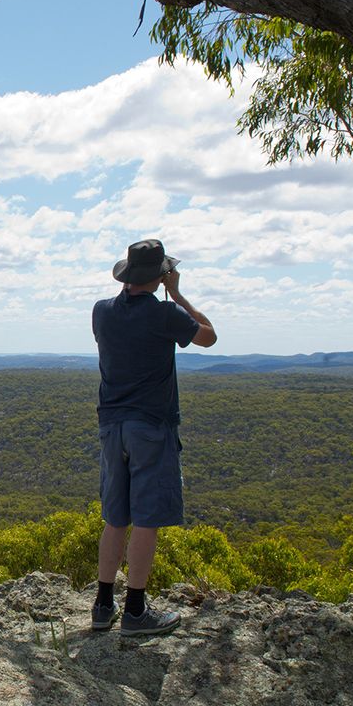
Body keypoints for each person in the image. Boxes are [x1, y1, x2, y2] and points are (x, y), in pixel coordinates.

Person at [90, 239, 216, 636]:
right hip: (152, 427)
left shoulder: (102, 312)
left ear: (126, 274)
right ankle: (136, 612)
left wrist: (154, 281)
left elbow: (125, 309)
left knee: (115, 517)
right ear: (159, 276)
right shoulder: (166, 314)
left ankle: (102, 605)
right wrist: (176, 292)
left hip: (112, 426)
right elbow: (209, 336)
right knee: (146, 519)